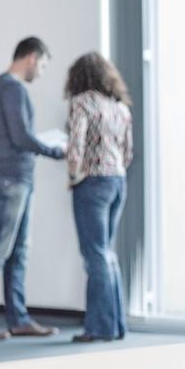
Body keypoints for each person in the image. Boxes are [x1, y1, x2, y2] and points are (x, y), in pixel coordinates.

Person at [0, 37, 65, 339]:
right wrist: (55, 151)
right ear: (32, 57)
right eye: (43, 66)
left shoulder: (1, 88)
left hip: (16, 177)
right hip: (10, 178)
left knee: (17, 251)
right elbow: (21, 136)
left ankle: (18, 319)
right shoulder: (11, 88)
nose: (42, 72)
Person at [64, 52, 133, 343]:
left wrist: (73, 176)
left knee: (95, 255)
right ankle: (116, 325)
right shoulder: (120, 108)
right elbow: (128, 152)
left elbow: (75, 147)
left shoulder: (82, 102)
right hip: (118, 180)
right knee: (106, 253)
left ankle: (98, 327)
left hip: (92, 184)